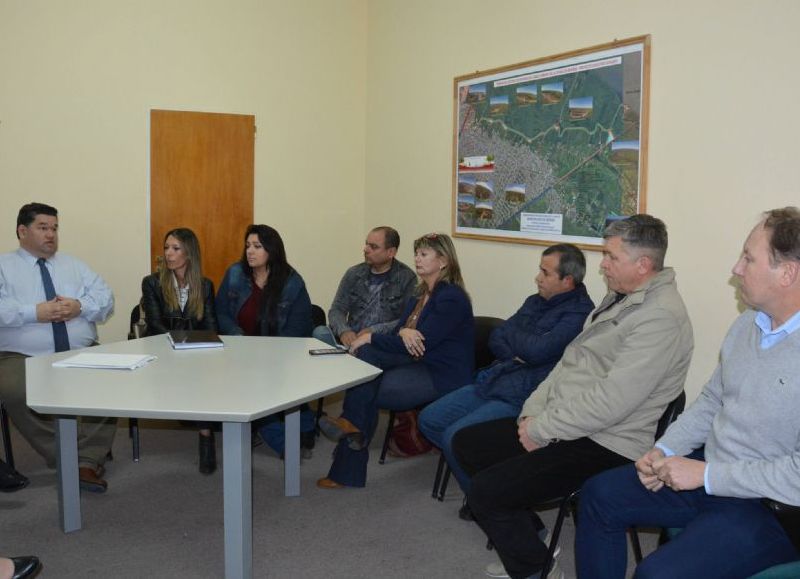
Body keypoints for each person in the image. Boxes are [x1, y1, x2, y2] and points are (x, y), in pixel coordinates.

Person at [451, 214, 693, 579]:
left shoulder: (660, 317)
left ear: (643, 265)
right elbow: (568, 364)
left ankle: (536, 570)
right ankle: (532, 537)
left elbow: (613, 401)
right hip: (568, 422)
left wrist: (542, 429)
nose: (603, 265)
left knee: (486, 493)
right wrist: (531, 413)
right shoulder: (621, 297)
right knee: (468, 443)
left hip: (608, 441)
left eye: (611, 257)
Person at [576, 207, 800, 579]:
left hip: (772, 507)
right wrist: (664, 450)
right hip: (712, 471)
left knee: (656, 573)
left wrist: (707, 475)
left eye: (748, 257)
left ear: (787, 273)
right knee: (599, 495)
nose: (736, 268)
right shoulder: (746, 324)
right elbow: (712, 401)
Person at [419, 244, 594, 497]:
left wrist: (522, 342)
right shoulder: (535, 301)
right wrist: (521, 347)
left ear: (567, 281)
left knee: (454, 437)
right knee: (429, 419)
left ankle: (483, 498)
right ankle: (488, 477)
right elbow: (498, 336)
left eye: (545, 273)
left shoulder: (580, 313)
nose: (538, 278)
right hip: (494, 379)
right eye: (539, 270)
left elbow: (537, 351)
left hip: (523, 396)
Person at [317, 232, 475, 488]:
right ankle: (350, 429)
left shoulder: (451, 298)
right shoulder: (419, 293)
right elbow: (401, 332)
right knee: (366, 370)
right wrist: (402, 330)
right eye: (416, 254)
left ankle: (347, 464)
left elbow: (421, 344)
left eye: (424, 254)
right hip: (416, 360)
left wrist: (372, 338)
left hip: (440, 372)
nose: (417, 259)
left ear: (443, 261)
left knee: (367, 385)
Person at [0, 203, 115, 493]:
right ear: (22, 231)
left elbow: (106, 298)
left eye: (54, 228)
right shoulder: (4, 267)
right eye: (43, 228)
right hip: (21, 355)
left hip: (81, 350)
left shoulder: (73, 265)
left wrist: (80, 306)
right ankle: (67, 455)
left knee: (115, 381)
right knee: (14, 390)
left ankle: (87, 460)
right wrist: (32, 312)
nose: (51, 234)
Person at [216, 224, 316, 457]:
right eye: (248, 245)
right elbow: (221, 312)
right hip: (239, 353)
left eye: (257, 246)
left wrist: (270, 354)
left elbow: (300, 326)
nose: (250, 251)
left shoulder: (292, 281)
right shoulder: (235, 274)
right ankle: (288, 445)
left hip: (280, 354)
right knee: (251, 391)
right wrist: (237, 336)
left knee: (261, 386)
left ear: (272, 250)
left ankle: (306, 427)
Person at [141, 227, 219, 474]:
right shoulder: (152, 283)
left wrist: (207, 347)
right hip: (162, 351)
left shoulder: (204, 285)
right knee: (194, 378)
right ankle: (205, 431)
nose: (168, 254)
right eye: (166, 248)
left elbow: (210, 324)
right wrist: (179, 345)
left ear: (189, 253)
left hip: (194, 352)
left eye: (175, 248)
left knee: (207, 377)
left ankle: (206, 435)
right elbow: (155, 323)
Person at [312, 226, 416, 347]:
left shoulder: (407, 278)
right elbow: (337, 310)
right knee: (320, 333)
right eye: (366, 244)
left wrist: (373, 331)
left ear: (391, 252)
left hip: (379, 340)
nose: (366, 249)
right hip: (349, 338)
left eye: (374, 247)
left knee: (370, 349)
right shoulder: (354, 273)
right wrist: (344, 331)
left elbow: (408, 319)